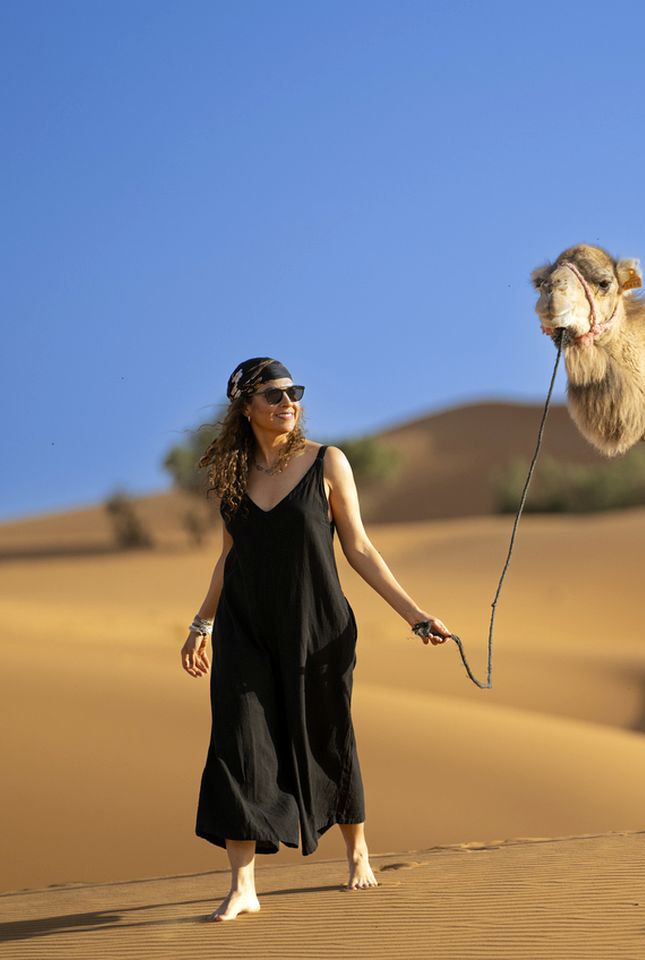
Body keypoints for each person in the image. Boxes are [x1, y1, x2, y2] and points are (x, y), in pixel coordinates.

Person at [180, 357, 452, 922]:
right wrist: (202, 623)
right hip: (246, 627)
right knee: (240, 745)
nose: (288, 403)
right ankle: (243, 886)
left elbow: (359, 548)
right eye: (274, 395)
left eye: (294, 392)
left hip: (317, 627)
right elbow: (230, 557)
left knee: (325, 733)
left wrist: (416, 615)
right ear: (246, 407)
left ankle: (356, 850)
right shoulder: (231, 476)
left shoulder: (326, 462)